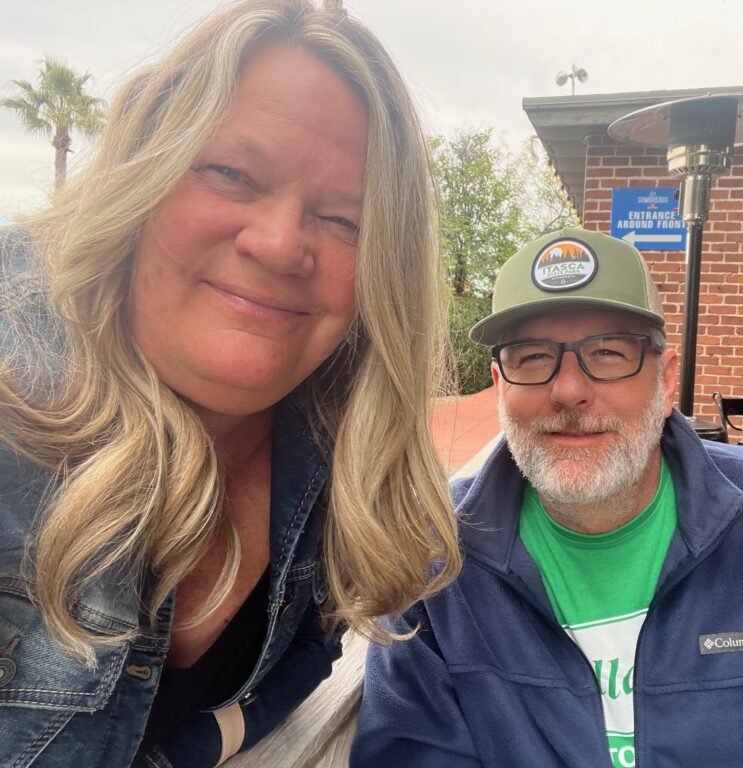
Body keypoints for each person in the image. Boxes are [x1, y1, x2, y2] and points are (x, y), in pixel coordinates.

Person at [0, 1, 460, 765]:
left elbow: (302, 656)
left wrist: (193, 745)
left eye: (344, 219)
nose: (281, 244)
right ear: (141, 179)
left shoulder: (345, 477)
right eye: (231, 173)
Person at [351, 227, 743, 767]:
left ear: (665, 379)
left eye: (607, 354)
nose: (568, 390)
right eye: (534, 357)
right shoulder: (436, 563)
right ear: (499, 387)